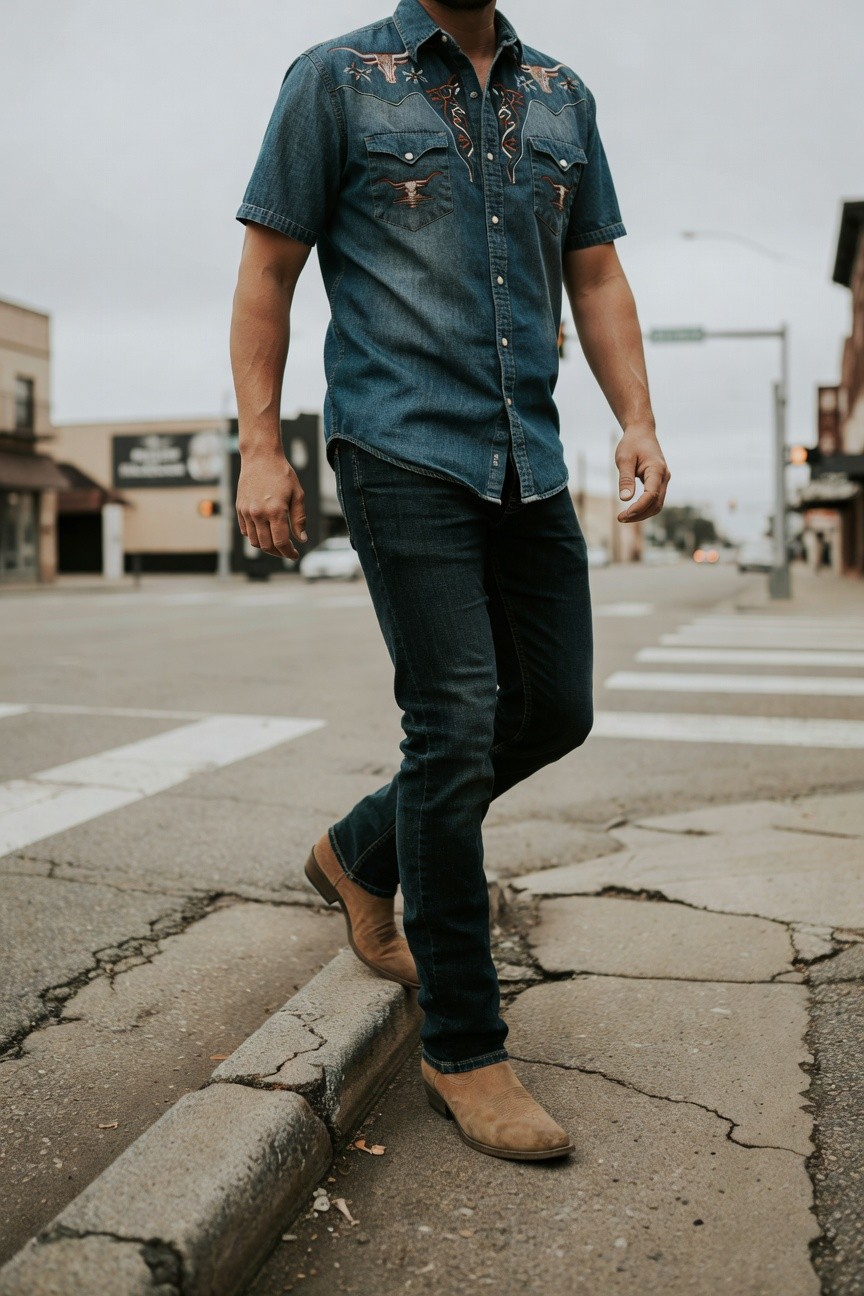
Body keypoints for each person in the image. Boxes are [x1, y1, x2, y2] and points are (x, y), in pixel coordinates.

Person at [230, 0, 670, 1162]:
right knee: (456, 722)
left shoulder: (565, 95)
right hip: (400, 446)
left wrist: (637, 418)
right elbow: (269, 270)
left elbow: (600, 275)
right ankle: (464, 1049)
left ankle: (357, 853)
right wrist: (260, 446)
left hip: (529, 453)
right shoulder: (336, 80)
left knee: (555, 708)